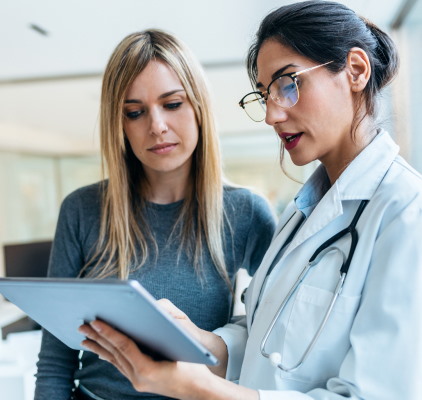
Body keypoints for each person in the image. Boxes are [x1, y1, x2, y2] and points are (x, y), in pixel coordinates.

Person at [79, 1, 422, 399]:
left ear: (356, 71)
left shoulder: (405, 211)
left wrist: (196, 388)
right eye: (265, 94)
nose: (272, 115)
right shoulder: (302, 213)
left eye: (288, 83)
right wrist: (203, 342)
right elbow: (268, 338)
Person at [34, 29, 276, 400]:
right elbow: (55, 361)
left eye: (173, 104)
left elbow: (274, 335)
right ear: (121, 124)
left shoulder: (245, 212)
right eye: (135, 112)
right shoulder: (82, 210)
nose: (157, 126)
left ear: (198, 107)